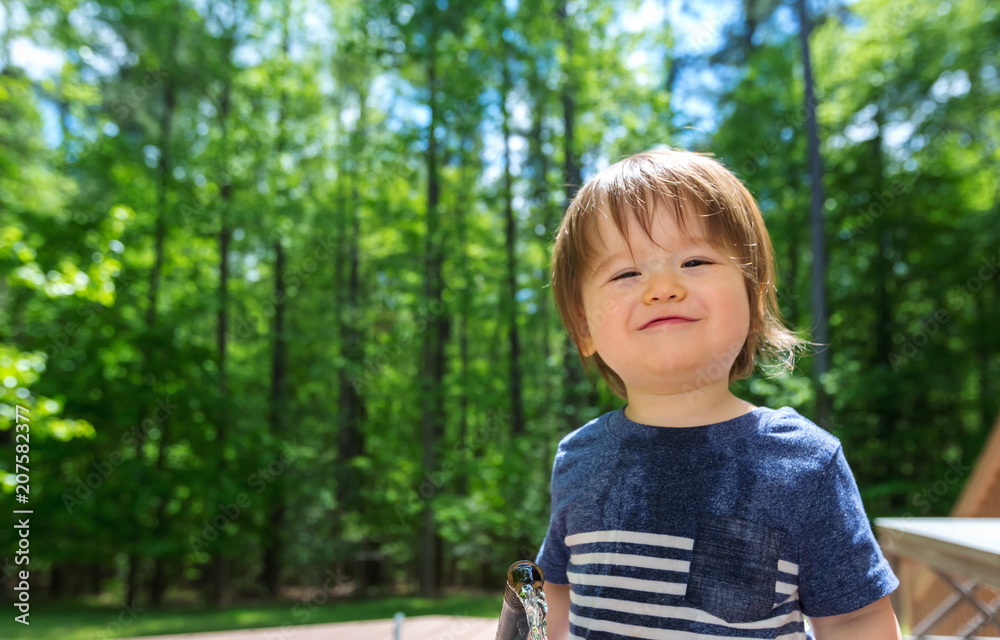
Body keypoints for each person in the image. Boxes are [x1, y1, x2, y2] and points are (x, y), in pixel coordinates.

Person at [535, 148, 901, 640]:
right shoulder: (576, 458)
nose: (662, 287)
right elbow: (559, 591)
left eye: (694, 260)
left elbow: (856, 619)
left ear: (752, 298)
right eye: (626, 273)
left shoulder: (805, 464)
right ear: (584, 328)